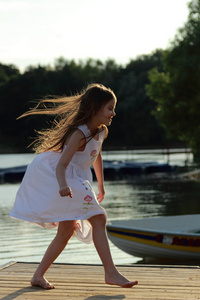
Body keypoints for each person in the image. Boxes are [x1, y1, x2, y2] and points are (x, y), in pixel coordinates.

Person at [10, 83, 138, 289]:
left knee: (66, 231)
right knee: (99, 218)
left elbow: (96, 156)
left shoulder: (101, 131)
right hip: (61, 176)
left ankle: (37, 276)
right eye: (110, 108)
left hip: (77, 178)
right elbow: (61, 165)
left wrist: (101, 185)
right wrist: (62, 185)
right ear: (95, 108)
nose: (113, 113)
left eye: (114, 108)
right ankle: (111, 273)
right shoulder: (79, 133)